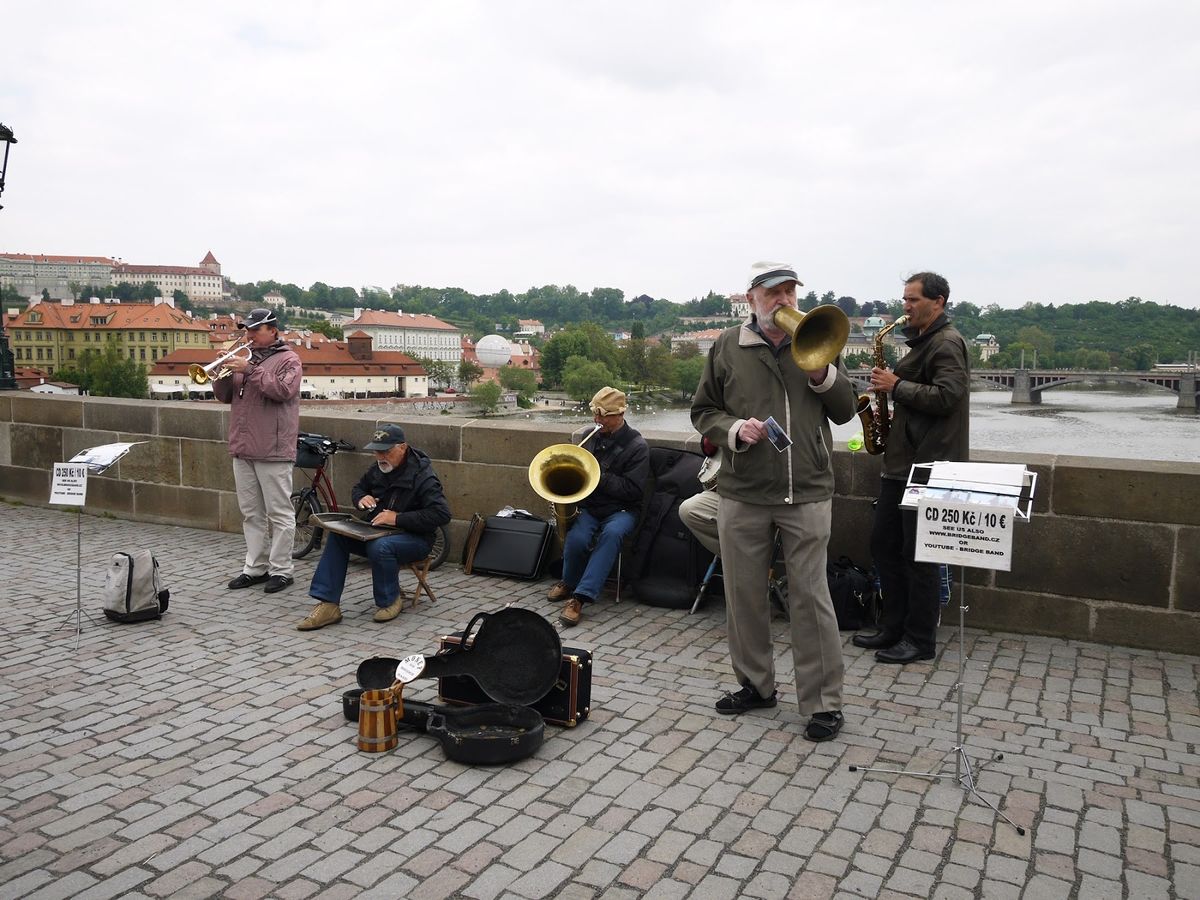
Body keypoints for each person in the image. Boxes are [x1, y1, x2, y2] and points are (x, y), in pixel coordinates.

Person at [691, 261, 858, 742]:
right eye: (773, 293)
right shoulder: (727, 345)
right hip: (743, 492)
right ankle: (756, 686)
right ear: (751, 299)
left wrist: (824, 372)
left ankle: (824, 703)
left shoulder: (819, 339)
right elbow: (703, 411)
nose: (783, 300)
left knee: (811, 597)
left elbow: (846, 411)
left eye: (789, 291)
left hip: (806, 490)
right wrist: (733, 430)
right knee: (743, 596)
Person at [853, 272, 970, 663]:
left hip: (929, 467)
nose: (905, 306)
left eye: (913, 299)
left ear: (938, 302)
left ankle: (919, 639)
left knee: (919, 555)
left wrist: (894, 386)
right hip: (902, 465)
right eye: (904, 299)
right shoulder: (923, 342)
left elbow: (950, 396)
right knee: (885, 546)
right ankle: (893, 627)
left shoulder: (947, 343)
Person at [298, 424, 451, 630]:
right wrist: (361, 497)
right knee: (338, 536)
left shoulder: (424, 476)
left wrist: (397, 518)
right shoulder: (379, 469)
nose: (380, 457)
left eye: (385, 451)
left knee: (380, 547)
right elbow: (358, 488)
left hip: (417, 539)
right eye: (376, 451)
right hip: (379, 532)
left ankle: (390, 600)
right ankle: (328, 603)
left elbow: (441, 514)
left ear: (402, 447)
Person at [214, 308, 302, 594]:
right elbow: (224, 396)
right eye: (248, 330)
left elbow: (282, 391)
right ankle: (255, 568)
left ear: (272, 330)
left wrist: (249, 370)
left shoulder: (289, 359)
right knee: (251, 513)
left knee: (279, 513)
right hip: (243, 447)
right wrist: (221, 373)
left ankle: (282, 570)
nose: (249, 335)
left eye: (255, 330)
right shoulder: (244, 359)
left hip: (273, 448)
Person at [547, 386, 649, 627]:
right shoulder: (589, 436)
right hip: (592, 506)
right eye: (596, 415)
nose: (597, 420)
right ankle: (568, 581)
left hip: (623, 509)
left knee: (611, 535)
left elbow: (633, 491)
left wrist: (597, 475)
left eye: (603, 416)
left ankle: (580, 598)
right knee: (577, 538)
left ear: (619, 415)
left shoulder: (637, 446)